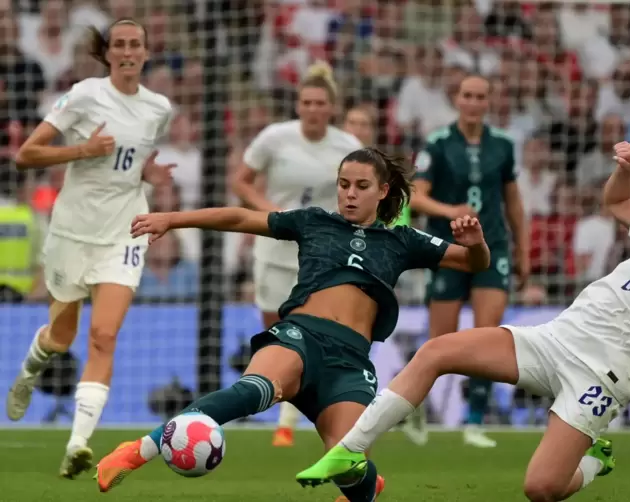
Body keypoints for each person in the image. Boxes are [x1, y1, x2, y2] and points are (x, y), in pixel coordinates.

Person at [296, 141, 630, 502]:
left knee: (541, 489)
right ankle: (349, 452)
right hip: (552, 341)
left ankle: (594, 461)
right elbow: (617, 200)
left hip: (599, 381)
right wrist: (626, 171)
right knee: (436, 351)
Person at [95, 147, 491, 501]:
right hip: (301, 336)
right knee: (252, 391)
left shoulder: (403, 241)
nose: (350, 193)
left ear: (383, 191)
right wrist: (172, 219)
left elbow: (475, 264)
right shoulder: (313, 222)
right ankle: (138, 451)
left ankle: (366, 490)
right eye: (343, 184)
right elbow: (240, 216)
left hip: (349, 363)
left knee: (347, 463)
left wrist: (476, 242)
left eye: (361, 186)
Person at [5, 19, 174, 479]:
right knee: (60, 337)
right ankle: (26, 375)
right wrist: (82, 150)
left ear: (145, 51)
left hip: (123, 233)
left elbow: (129, 166)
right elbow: (26, 155)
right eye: (118, 44)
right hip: (73, 232)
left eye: (134, 44)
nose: (126, 51)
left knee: (104, 336)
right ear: (108, 53)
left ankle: (77, 444)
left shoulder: (159, 108)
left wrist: (150, 177)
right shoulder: (84, 95)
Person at [232, 61, 362, 447]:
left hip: (319, 255)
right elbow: (240, 181)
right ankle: (278, 399)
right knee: (274, 332)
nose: (313, 109)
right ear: (298, 104)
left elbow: (359, 193)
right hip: (273, 249)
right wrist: (268, 211)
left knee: (308, 332)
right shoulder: (275, 138)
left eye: (320, 102)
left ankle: (288, 420)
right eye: (306, 101)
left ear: (331, 107)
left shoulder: (347, 147)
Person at [405, 74, 529, 447]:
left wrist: (523, 248)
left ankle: (474, 421)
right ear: (457, 99)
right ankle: (413, 409)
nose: (474, 102)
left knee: (486, 336)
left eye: (480, 96)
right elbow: (415, 197)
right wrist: (449, 209)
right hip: (447, 250)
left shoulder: (504, 146)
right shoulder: (439, 144)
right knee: (439, 341)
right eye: (468, 95)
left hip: (493, 249)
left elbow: (513, 200)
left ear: (488, 102)